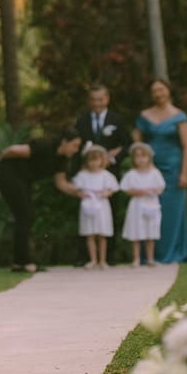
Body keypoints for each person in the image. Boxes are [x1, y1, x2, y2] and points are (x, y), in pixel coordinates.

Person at [0, 127, 82, 272]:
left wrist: (81, 193)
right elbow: (15, 150)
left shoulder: (62, 159)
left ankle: (20, 262)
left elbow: (62, 184)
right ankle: (23, 262)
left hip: (24, 180)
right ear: (65, 142)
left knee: (27, 216)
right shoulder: (46, 145)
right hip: (9, 174)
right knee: (25, 215)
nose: (76, 150)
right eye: (75, 145)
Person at [133, 78, 187, 263]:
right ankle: (150, 256)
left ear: (168, 90)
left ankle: (174, 252)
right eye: (154, 91)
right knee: (148, 210)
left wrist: (184, 172)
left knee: (171, 213)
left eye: (161, 89)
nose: (158, 93)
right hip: (149, 169)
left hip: (173, 169)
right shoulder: (144, 116)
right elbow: (137, 142)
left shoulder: (180, 116)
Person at [73, 84, 132, 266]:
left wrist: (113, 158)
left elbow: (128, 143)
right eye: (93, 100)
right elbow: (77, 145)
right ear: (89, 101)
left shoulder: (116, 120)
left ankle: (108, 257)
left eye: (100, 99)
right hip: (87, 175)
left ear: (107, 99)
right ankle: (87, 257)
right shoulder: (82, 120)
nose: (97, 103)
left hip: (108, 176)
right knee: (85, 215)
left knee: (109, 214)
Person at [71, 144, 119, 270]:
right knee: (90, 234)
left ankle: (102, 260)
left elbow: (111, 189)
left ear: (102, 160)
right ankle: (93, 260)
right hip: (88, 206)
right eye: (91, 160)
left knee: (102, 234)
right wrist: (84, 195)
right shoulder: (82, 175)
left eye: (96, 159)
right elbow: (77, 190)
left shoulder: (106, 175)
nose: (93, 163)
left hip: (101, 206)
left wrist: (103, 194)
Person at [120, 141, 166, 268]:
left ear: (149, 157)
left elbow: (161, 188)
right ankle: (136, 258)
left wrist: (152, 191)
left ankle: (150, 258)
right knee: (136, 231)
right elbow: (126, 189)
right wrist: (139, 191)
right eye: (137, 156)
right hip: (137, 205)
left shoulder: (155, 173)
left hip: (151, 203)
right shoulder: (131, 174)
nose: (141, 159)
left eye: (143, 156)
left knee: (151, 231)